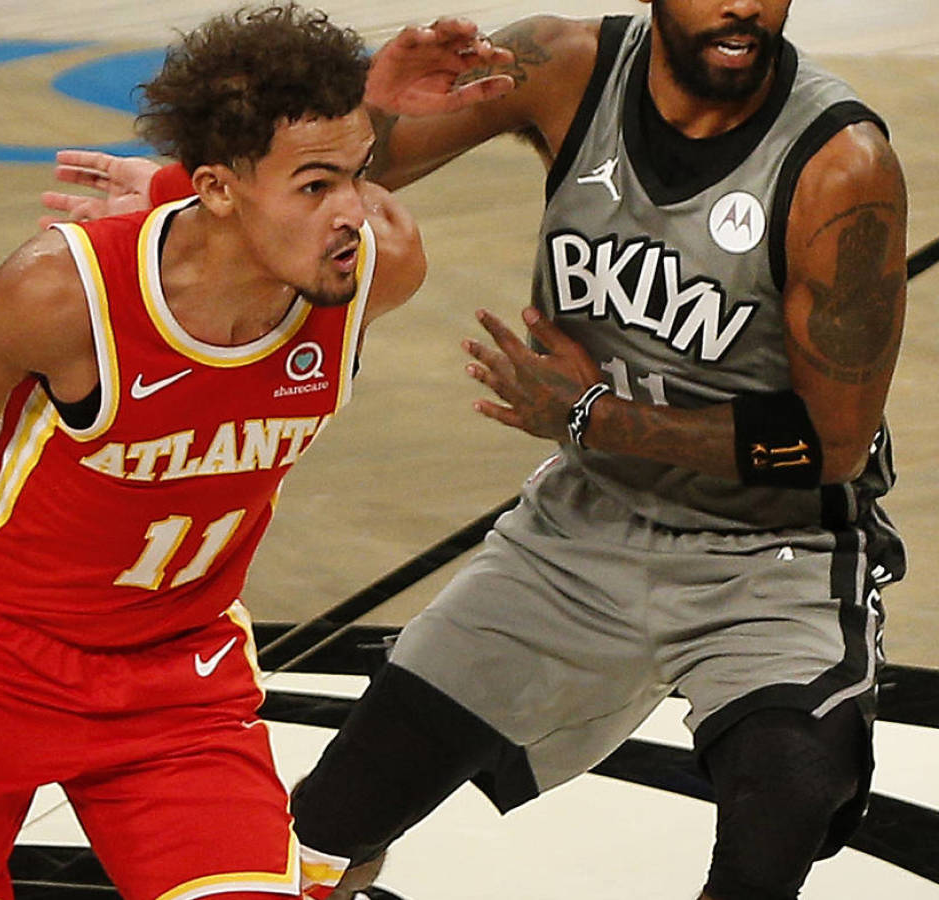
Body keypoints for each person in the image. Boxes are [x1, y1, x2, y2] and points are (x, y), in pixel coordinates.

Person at [48, 2, 908, 899]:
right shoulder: (564, 64)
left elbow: (834, 444)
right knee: (320, 834)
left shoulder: (841, 165)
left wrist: (596, 418)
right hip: (581, 531)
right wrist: (203, 183)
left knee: (784, 811)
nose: (742, 5)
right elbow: (344, 172)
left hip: (770, 558)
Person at [0, 7, 509, 899]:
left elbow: (333, 180)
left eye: (359, 177)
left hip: (179, 683)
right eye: (315, 188)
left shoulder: (377, 269)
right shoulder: (66, 293)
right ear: (219, 190)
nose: (351, 214)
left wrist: (368, 111)